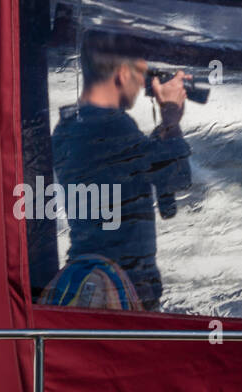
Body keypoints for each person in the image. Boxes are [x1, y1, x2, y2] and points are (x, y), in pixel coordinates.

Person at [50, 43, 192, 311]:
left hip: (94, 273)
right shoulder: (112, 126)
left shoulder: (70, 125)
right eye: (141, 73)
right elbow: (177, 179)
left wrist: (164, 130)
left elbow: (163, 196)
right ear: (122, 74)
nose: (143, 85)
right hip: (119, 287)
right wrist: (171, 118)